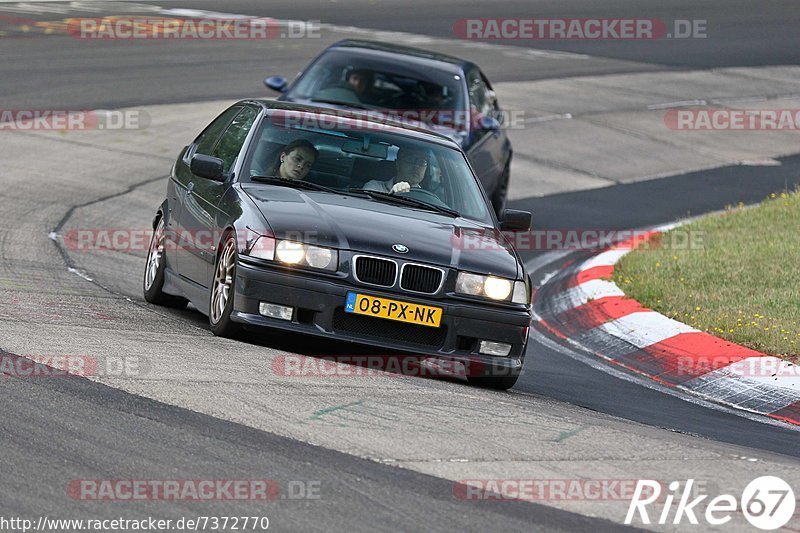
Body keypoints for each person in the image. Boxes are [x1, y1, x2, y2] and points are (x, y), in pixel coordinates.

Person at [363, 147, 429, 194]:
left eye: (422, 162)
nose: (416, 166)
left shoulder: (427, 199)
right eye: (410, 160)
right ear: (398, 164)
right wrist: (394, 197)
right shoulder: (374, 187)